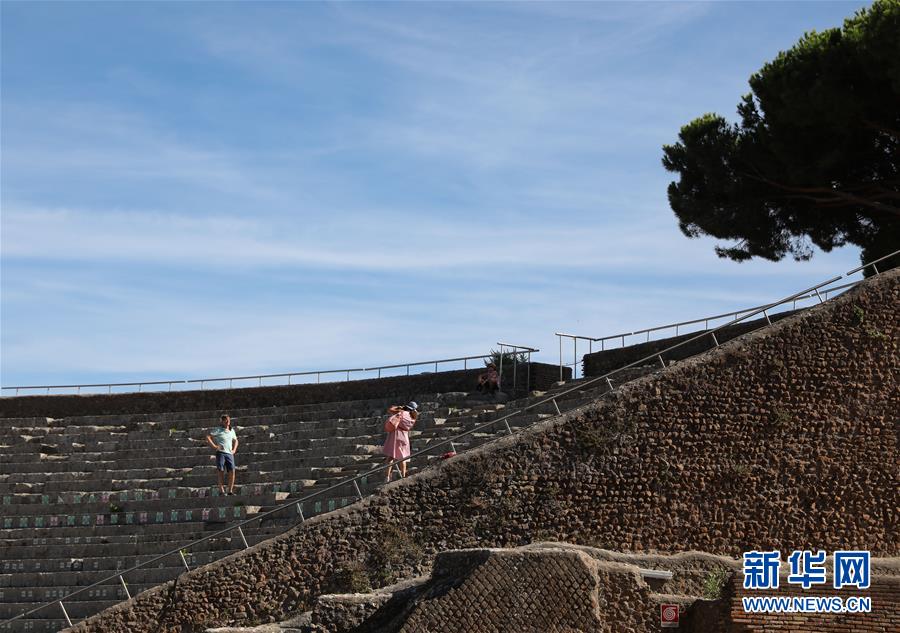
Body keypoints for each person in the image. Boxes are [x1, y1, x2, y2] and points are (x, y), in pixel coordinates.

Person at [383, 402, 418, 482]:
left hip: (396, 434)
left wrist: (399, 407)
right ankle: (403, 475)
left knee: (391, 457)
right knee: (403, 457)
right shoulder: (413, 417)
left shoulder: (401, 412)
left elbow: (390, 409)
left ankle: (387, 477)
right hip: (405, 436)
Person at [207, 414, 239, 495]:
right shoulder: (218, 430)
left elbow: (236, 440)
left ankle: (230, 490)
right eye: (225, 420)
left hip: (229, 453)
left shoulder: (232, 430)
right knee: (221, 470)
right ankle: (221, 490)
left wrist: (234, 449)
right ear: (222, 421)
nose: (227, 421)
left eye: (228, 420)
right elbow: (208, 437)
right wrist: (214, 446)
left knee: (232, 471)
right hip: (221, 452)